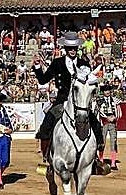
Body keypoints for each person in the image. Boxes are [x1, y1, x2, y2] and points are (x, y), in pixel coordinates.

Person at [32, 31, 104, 162]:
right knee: (46, 127)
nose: (72, 50)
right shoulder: (57, 63)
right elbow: (43, 80)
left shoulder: (84, 64)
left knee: (96, 125)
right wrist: (37, 66)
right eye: (70, 48)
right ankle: (46, 158)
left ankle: (97, 159)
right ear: (65, 48)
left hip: (80, 102)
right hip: (62, 100)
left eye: (74, 48)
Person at [98, 85, 122, 170]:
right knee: (102, 142)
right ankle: (101, 160)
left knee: (113, 142)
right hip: (104, 122)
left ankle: (113, 162)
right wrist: (106, 117)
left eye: (108, 90)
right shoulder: (99, 101)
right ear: (103, 92)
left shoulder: (115, 100)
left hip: (113, 123)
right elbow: (99, 111)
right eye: (105, 91)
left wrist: (116, 118)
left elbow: (119, 110)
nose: (107, 92)